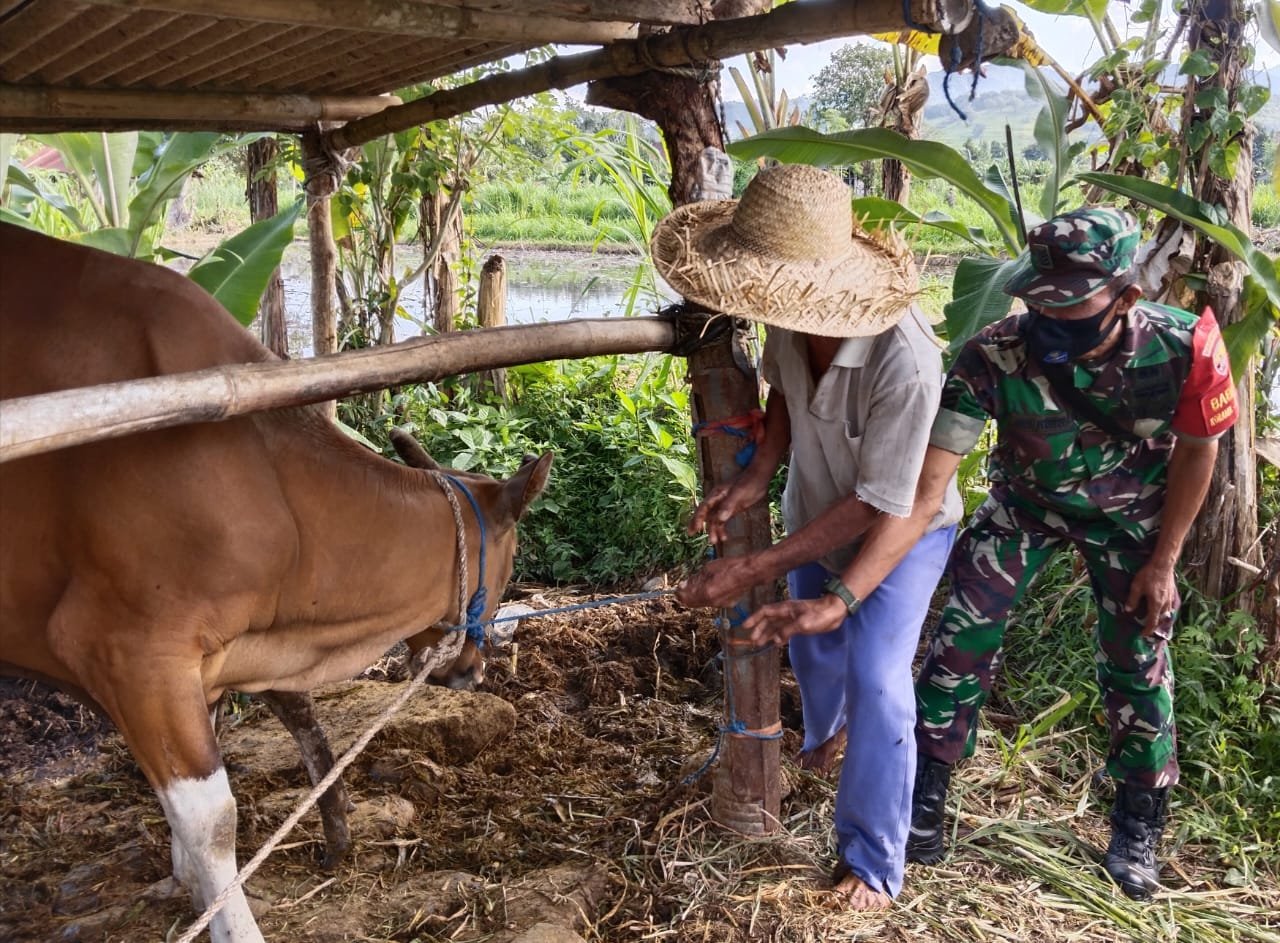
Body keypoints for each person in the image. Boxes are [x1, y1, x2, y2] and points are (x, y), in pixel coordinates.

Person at [738, 206, 1238, 902]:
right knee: (957, 646)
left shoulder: (1186, 349)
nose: (1049, 320)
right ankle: (927, 801)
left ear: (1126, 296)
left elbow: (1198, 450)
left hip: (1132, 522)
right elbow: (923, 490)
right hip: (1025, 508)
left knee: (1137, 660)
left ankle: (1137, 819)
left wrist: (1165, 561)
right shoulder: (992, 354)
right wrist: (843, 596)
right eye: (1038, 300)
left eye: (1070, 305)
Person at [656, 163, 962, 911]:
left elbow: (880, 502)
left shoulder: (908, 362)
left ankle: (874, 860)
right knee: (809, 642)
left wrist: (760, 566)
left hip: (900, 531)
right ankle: (829, 739)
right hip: (817, 503)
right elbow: (784, 395)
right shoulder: (793, 313)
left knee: (881, 681)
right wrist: (759, 471)